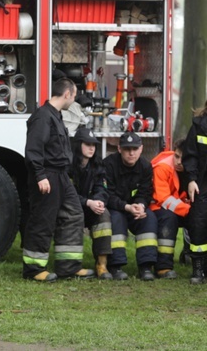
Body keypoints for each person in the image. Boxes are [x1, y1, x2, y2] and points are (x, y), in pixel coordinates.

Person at [22, 77, 94, 282]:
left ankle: (68, 267)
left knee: (73, 214)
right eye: (74, 95)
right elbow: (34, 149)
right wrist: (40, 175)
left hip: (61, 176)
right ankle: (33, 269)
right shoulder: (43, 117)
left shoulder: (55, 115)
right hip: (47, 175)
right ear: (67, 94)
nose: (74, 99)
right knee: (43, 220)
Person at [103, 131, 158, 281]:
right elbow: (108, 195)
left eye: (134, 149)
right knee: (116, 220)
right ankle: (116, 266)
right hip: (115, 208)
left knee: (149, 218)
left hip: (135, 208)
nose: (131, 153)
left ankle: (146, 266)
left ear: (141, 149)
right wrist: (126, 207)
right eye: (127, 149)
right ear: (119, 149)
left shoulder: (146, 166)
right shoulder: (109, 164)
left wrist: (141, 205)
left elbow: (145, 192)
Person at [69, 127, 113, 280]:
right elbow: (68, 195)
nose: (91, 148)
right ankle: (72, 265)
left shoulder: (97, 166)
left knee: (104, 215)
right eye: (87, 144)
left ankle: (102, 264)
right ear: (78, 145)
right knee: (73, 215)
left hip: (90, 206)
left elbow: (102, 188)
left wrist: (99, 202)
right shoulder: (68, 166)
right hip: (72, 208)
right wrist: (88, 202)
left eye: (93, 145)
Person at [150, 138, 190, 279]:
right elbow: (163, 199)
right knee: (169, 218)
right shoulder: (163, 167)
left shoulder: (195, 167)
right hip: (157, 207)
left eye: (182, 158)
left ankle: (196, 259)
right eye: (176, 156)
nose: (178, 162)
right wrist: (188, 210)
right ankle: (163, 266)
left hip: (181, 206)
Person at [182, 99, 207, 284]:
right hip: (202, 183)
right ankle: (198, 268)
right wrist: (191, 180)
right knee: (198, 223)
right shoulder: (199, 125)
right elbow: (190, 155)